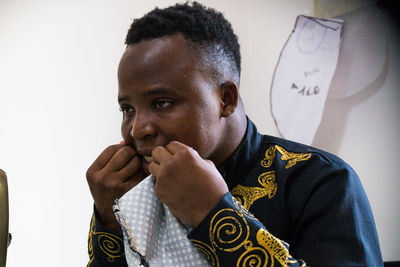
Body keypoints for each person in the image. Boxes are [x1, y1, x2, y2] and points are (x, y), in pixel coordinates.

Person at [86, 2, 383, 266]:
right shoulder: (138, 193)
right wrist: (108, 224)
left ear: (225, 99)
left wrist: (214, 214)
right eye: (127, 109)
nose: (138, 129)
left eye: (161, 103)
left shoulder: (322, 182)